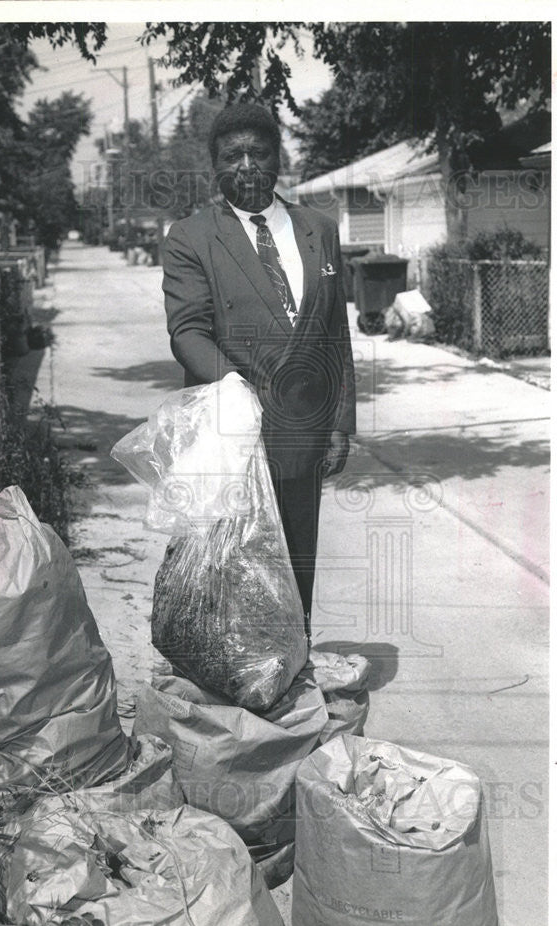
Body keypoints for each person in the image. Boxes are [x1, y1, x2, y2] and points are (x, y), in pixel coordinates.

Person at [161, 103, 356, 643]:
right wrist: (232, 390)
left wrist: (340, 422)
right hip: (232, 434)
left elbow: (334, 333)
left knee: (297, 563)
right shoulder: (191, 237)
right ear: (215, 166)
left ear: (278, 158)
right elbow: (187, 331)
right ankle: (234, 684)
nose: (247, 165)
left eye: (259, 153)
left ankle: (293, 666)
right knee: (234, 567)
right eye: (233, 156)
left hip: (304, 429)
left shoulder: (319, 230)